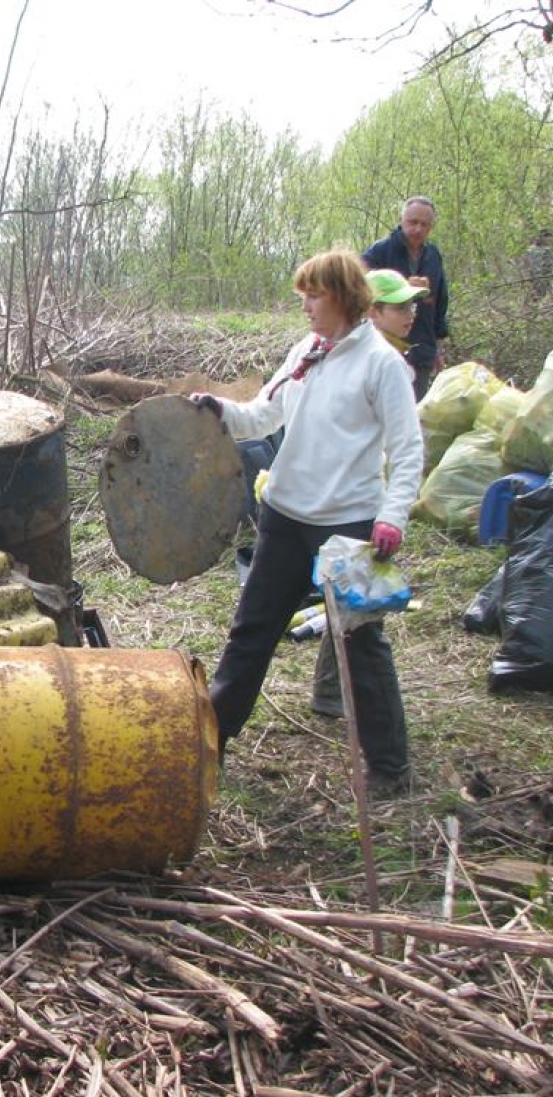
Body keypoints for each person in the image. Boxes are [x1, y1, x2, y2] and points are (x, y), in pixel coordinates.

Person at [189, 249, 423, 798]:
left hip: (348, 526)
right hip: (285, 519)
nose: (306, 308)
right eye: (303, 297)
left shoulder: (381, 364)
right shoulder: (306, 352)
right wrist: (219, 409)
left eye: (313, 297)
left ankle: (390, 768)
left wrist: (392, 517)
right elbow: (263, 415)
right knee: (252, 634)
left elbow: (408, 449)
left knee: (361, 645)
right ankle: (211, 744)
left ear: (342, 297)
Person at [308, 267, 430, 718]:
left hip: (362, 497)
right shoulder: (350, 358)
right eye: (400, 307)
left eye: (412, 307)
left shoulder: (391, 359)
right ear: (370, 310)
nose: (410, 315)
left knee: (349, 601)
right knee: (356, 609)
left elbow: (403, 445)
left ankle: (329, 691)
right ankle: (341, 698)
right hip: (336, 500)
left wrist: (392, 510)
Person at [363, 196, 449, 401]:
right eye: (413, 222)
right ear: (401, 219)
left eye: (424, 224)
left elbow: (440, 302)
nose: (418, 229)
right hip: (381, 349)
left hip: (422, 351)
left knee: (413, 414)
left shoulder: (433, 256)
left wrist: (437, 347)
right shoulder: (379, 252)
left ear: (431, 227)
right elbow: (355, 291)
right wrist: (403, 287)